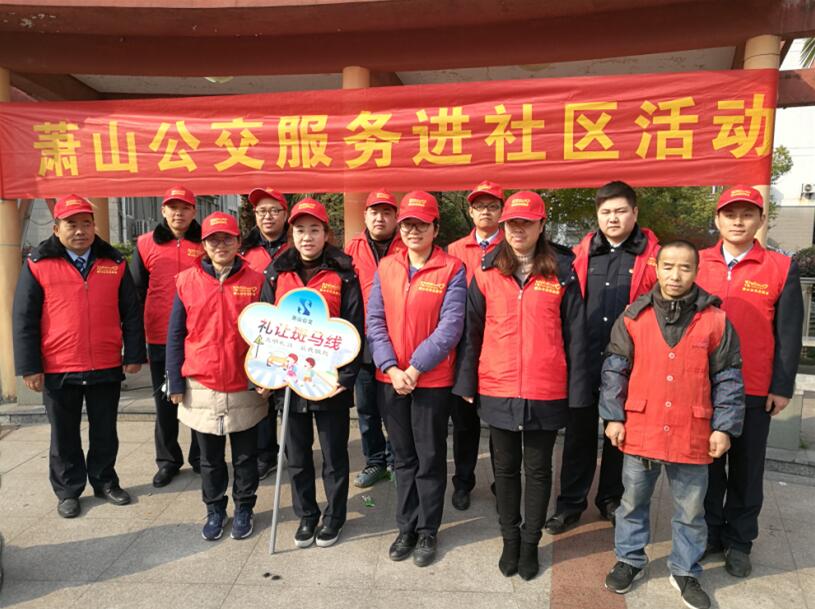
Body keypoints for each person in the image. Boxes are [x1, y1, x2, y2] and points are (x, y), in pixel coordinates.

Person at [600, 240, 744, 609]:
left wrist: (724, 427)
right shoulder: (633, 317)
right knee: (632, 502)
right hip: (641, 427)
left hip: (692, 431)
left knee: (691, 511)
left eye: (684, 267)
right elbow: (614, 371)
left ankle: (685, 569)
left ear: (696, 271)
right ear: (656, 268)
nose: (675, 275)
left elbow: (728, 377)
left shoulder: (716, 320)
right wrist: (613, 417)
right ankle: (630, 559)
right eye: (668, 266)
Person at [454, 191, 589, 580]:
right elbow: (471, 333)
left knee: (539, 469)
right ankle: (509, 540)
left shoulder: (562, 271)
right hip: (498, 385)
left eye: (526, 223)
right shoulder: (487, 272)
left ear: (541, 225)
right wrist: (467, 381)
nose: (518, 230)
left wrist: (578, 390)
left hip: (546, 388)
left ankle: (530, 543)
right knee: (505, 468)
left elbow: (576, 336)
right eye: (512, 223)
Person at [12, 195, 146, 518]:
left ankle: (105, 481)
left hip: (105, 362)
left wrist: (134, 353)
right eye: (71, 224)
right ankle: (68, 490)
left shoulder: (114, 262)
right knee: (63, 434)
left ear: (94, 226)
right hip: (58, 365)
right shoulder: (38, 264)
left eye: (86, 224)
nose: (80, 231)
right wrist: (30, 366)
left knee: (105, 430)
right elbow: (24, 318)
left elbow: (131, 312)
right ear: (56, 228)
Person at [695, 186, 803, 578]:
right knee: (706, 467)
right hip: (701, 385)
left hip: (753, 387)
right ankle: (709, 533)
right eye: (730, 214)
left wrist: (782, 386)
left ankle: (739, 541)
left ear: (760, 219)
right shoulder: (698, 262)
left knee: (746, 468)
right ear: (717, 219)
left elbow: (788, 333)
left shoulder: (780, 266)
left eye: (746, 214)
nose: (738, 222)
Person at [547, 180, 660, 534]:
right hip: (584, 359)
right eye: (606, 212)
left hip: (629, 364)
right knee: (578, 436)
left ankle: (611, 499)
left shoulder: (654, 258)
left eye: (620, 211)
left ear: (635, 213)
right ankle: (570, 504)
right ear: (597, 215)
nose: (613, 218)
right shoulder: (580, 254)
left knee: (620, 435)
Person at [367, 191, 466, 568]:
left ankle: (428, 530)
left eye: (421, 224)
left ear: (435, 228)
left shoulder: (452, 269)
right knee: (403, 458)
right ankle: (405, 527)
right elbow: (375, 321)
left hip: (432, 381)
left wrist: (415, 368)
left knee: (429, 457)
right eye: (407, 224)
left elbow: (450, 327)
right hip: (390, 379)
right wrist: (391, 367)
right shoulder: (387, 267)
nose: (413, 230)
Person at [262, 198, 364, 549]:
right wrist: (265, 374)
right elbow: (266, 327)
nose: (307, 237)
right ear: (291, 234)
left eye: (314, 230)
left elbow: (354, 328)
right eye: (300, 230)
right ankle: (306, 514)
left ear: (326, 233)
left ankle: (334, 517)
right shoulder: (276, 273)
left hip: (328, 382)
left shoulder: (344, 274)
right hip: (289, 381)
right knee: (297, 455)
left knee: (334, 455)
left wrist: (346, 378)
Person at [166, 211, 266, 541]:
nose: (220, 245)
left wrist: (266, 377)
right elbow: (175, 334)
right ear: (203, 244)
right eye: (213, 240)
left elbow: (267, 334)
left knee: (246, 457)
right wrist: (174, 380)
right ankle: (214, 509)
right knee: (209, 459)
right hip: (201, 382)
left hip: (244, 381)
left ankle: (245, 507)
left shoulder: (257, 281)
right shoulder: (186, 281)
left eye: (227, 239)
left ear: (238, 242)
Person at [130, 185, 203, 488]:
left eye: (185, 207)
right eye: (173, 207)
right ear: (163, 211)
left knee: (199, 398)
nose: (178, 213)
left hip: (198, 335)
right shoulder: (145, 243)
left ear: (194, 211)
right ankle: (168, 461)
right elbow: (135, 293)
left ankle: (201, 457)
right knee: (164, 402)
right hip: (159, 334)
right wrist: (135, 342)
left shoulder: (206, 241)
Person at [445, 180, 504, 512]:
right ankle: (463, 482)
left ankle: (502, 484)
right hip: (464, 348)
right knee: (464, 422)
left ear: (501, 211)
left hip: (499, 345)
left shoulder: (512, 246)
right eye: (480, 206)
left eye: (493, 206)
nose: (486, 212)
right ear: (470, 211)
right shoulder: (454, 250)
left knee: (500, 423)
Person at [345, 190, 405, 488]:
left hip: (398, 340)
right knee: (367, 409)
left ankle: (397, 460)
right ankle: (375, 461)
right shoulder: (351, 248)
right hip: (363, 341)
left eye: (386, 212)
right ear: (365, 216)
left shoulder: (407, 244)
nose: (380, 218)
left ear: (396, 217)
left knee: (395, 407)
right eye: (374, 212)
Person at [241, 187, 290, 481]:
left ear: (285, 214)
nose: (267, 216)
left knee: (290, 396)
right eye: (261, 211)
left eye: (274, 210)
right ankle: (265, 454)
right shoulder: (244, 250)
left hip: (291, 334)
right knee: (261, 396)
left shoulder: (297, 245)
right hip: (257, 336)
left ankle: (294, 451)